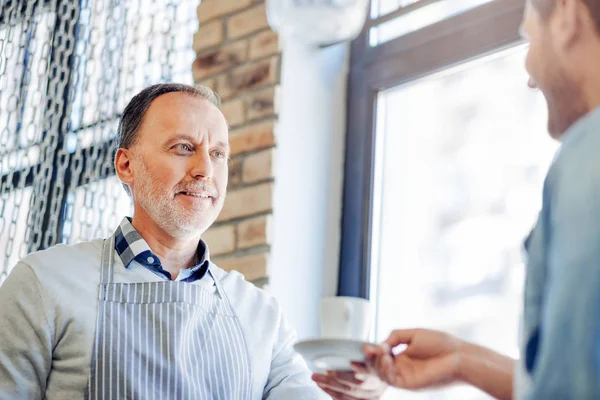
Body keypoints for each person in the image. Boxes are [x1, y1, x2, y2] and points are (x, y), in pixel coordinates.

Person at [312, 0, 600, 398]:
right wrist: (462, 360)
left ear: (567, 17)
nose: (530, 75)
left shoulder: (588, 155)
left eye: (529, 38)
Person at [0, 83, 328, 399]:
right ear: (126, 165)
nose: (205, 170)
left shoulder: (262, 315)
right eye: (183, 147)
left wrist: (365, 384)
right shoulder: (42, 283)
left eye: (217, 153)